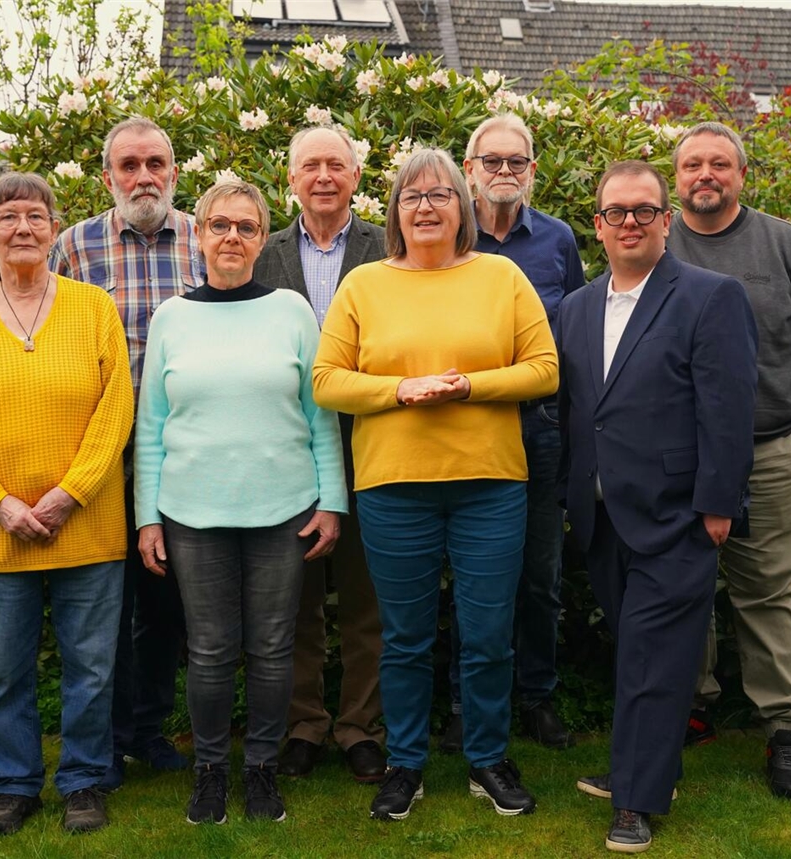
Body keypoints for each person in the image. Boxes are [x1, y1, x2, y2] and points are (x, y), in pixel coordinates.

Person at [313, 148, 558, 822]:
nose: (425, 206)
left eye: (440, 194)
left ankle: (486, 758)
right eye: (411, 196)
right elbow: (327, 379)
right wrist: (402, 389)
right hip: (394, 490)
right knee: (405, 638)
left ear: (463, 207)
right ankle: (407, 763)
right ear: (394, 212)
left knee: (487, 635)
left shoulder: (501, 276)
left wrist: (469, 384)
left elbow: (544, 369)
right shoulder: (364, 284)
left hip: (490, 487)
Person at [134, 178, 348, 825]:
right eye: (219, 225)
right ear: (197, 235)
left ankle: (258, 768)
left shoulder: (292, 311)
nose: (232, 236)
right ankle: (208, 770)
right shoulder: (172, 317)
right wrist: (147, 514)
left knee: (276, 646)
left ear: (261, 238)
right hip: (191, 512)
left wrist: (331, 498)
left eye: (246, 227)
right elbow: (150, 426)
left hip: (282, 509)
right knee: (208, 649)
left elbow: (320, 417)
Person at [558, 161, 757, 853]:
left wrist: (717, 504)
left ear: (666, 220)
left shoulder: (711, 297)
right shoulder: (576, 307)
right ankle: (648, 767)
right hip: (604, 516)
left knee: (652, 655)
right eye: (617, 212)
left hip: (679, 514)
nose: (631, 223)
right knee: (643, 653)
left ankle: (636, 803)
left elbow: (729, 409)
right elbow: (578, 412)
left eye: (645, 210)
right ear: (599, 225)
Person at [0, 172, 133, 836]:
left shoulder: (93, 306)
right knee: (6, 673)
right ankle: (15, 785)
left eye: (35, 216)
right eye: (7, 216)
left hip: (89, 525)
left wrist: (69, 494)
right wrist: (0, 504)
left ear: (54, 228)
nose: (22, 227)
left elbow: (115, 411)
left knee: (92, 668)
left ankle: (82, 781)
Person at [668, 121, 791, 800]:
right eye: (693, 165)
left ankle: (786, 729)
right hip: (681, 457)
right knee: (681, 584)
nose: (706, 175)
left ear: (742, 175)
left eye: (720, 164)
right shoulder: (656, 245)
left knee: (769, 592)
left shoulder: (785, 244)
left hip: (775, 451)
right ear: (676, 176)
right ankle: (689, 708)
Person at [50, 117, 202, 788]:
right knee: (101, 607)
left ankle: (148, 727)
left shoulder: (207, 238)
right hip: (98, 455)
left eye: (157, 163)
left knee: (166, 602)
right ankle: (104, 739)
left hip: (183, 454)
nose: (144, 176)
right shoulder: (72, 248)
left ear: (174, 171)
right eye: (130, 164)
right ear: (107, 175)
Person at [440, 113, 586, 752]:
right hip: (461, 430)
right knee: (461, 574)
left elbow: (577, 337)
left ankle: (536, 697)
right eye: (491, 161)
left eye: (516, 162)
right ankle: (461, 704)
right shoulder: (445, 239)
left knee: (538, 574)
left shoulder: (557, 241)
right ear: (468, 169)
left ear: (532, 171)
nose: (504, 172)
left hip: (540, 432)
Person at [254, 124, 388, 783]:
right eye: (311, 165)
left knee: (368, 603)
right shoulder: (261, 253)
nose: (325, 176)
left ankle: (361, 727)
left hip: (375, 450)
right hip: (286, 453)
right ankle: (303, 724)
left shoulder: (389, 249)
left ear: (357, 178)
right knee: (295, 602)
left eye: (337, 164)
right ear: (292, 180)